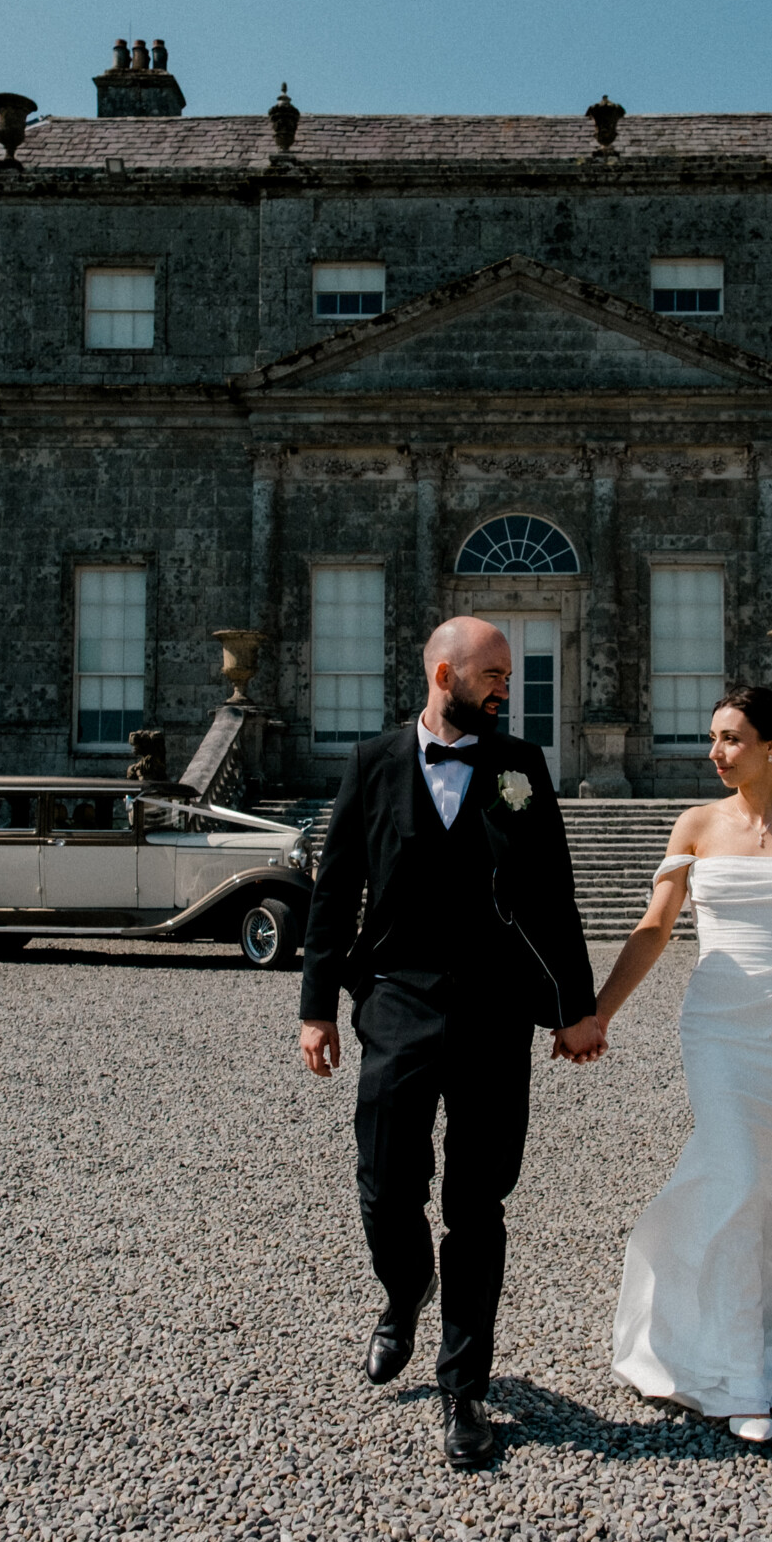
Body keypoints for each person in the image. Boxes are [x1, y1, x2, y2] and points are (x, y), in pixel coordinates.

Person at [298, 618, 602, 1470]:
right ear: (445, 673)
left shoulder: (520, 769)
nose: (506, 686)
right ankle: (404, 1289)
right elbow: (334, 895)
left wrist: (575, 1008)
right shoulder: (371, 764)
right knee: (387, 1181)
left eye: (508, 673)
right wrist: (317, 1007)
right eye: (493, 673)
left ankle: (464, 1386)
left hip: (496, 1011)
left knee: (478, 1203)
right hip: (396, 1001)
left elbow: (554, 897)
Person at [583, 685, 772, 1443]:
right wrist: (599, 1011)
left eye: (731, 738)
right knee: (738, 1177)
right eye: (712, 737)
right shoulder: (696, 823)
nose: (714, 751)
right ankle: (744, 1382)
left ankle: (766, 1337)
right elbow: (653, 928)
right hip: (715, 1023)